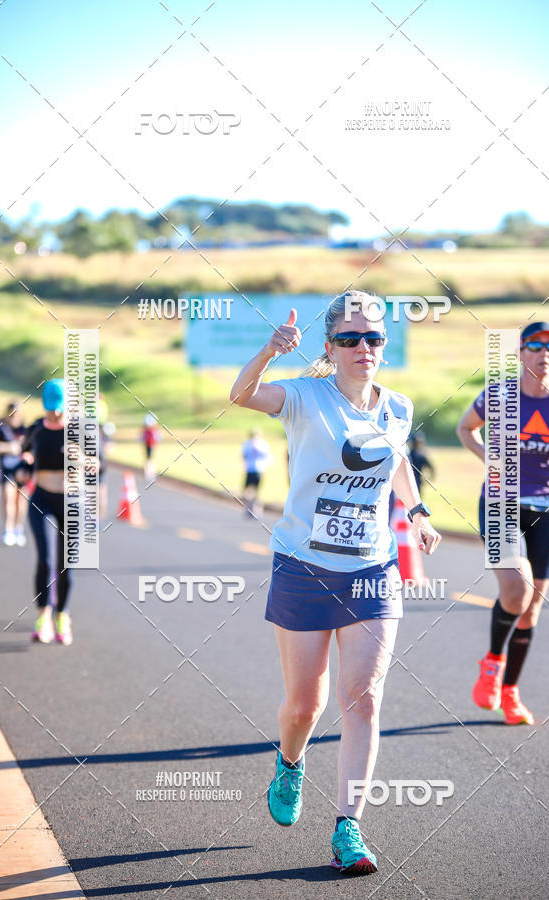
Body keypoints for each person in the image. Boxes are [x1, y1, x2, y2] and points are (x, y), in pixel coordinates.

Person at [230, 291, 440, 876]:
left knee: (364, 697)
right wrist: (270, 351)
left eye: (373, 338)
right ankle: (290, 763)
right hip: (303, 565)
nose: (363, 348)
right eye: (350, 339)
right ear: (330, 346)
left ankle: (349, 826)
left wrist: (417, 510)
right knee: (305, 704)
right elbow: (240, 394)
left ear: (383, 345)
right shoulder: (303, 394)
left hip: (372, 571)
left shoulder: (398, 405)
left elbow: (397, 461)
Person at [457, 321, 549, 725]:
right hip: (500, 503)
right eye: (534, 345)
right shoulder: (499, 395)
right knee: (517, 590)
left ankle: (510, 692)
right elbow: (466, 428)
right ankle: (492, 663)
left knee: (531, 609)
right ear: (520, 355)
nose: (543, 352)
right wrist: (491, 461)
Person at [22, 380, 73, 645]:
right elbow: (25, 455)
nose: (55, 414)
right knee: (45, 559)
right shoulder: (36, 429)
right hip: (40, 497)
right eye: (51, 409)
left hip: (70, 501)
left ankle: (62, 616)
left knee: (66, 565)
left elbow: (98, 465)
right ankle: (43, 616)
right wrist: (24, 466)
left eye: (60, 409)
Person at [0, 402, 29, 546]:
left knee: (21, 501)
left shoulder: (25, 429)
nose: (14, 418)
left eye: (16, 415)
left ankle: (18, 529)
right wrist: (9, 447)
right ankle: (8, 529)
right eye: (11, 415)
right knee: (8, 498)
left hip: (23, 469)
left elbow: (30, 448)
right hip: (6, 469)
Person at [241, 428, 272, 516]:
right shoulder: (247, 444)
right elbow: (243, 456)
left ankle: (257, 510)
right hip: (250, 469)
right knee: (247, 491)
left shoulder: (263, 444)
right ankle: (248, 508)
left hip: (259, 469)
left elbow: (267, 457)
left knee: (257, 491)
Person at [142, 413, 160, 481]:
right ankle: (148, 473)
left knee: (150, 459)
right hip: (148, 445)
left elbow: (156, 437)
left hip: (151, 445)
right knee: (149, 459)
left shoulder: (152, 431)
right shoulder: (148, 431)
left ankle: (150, 473)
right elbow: (144, 438)